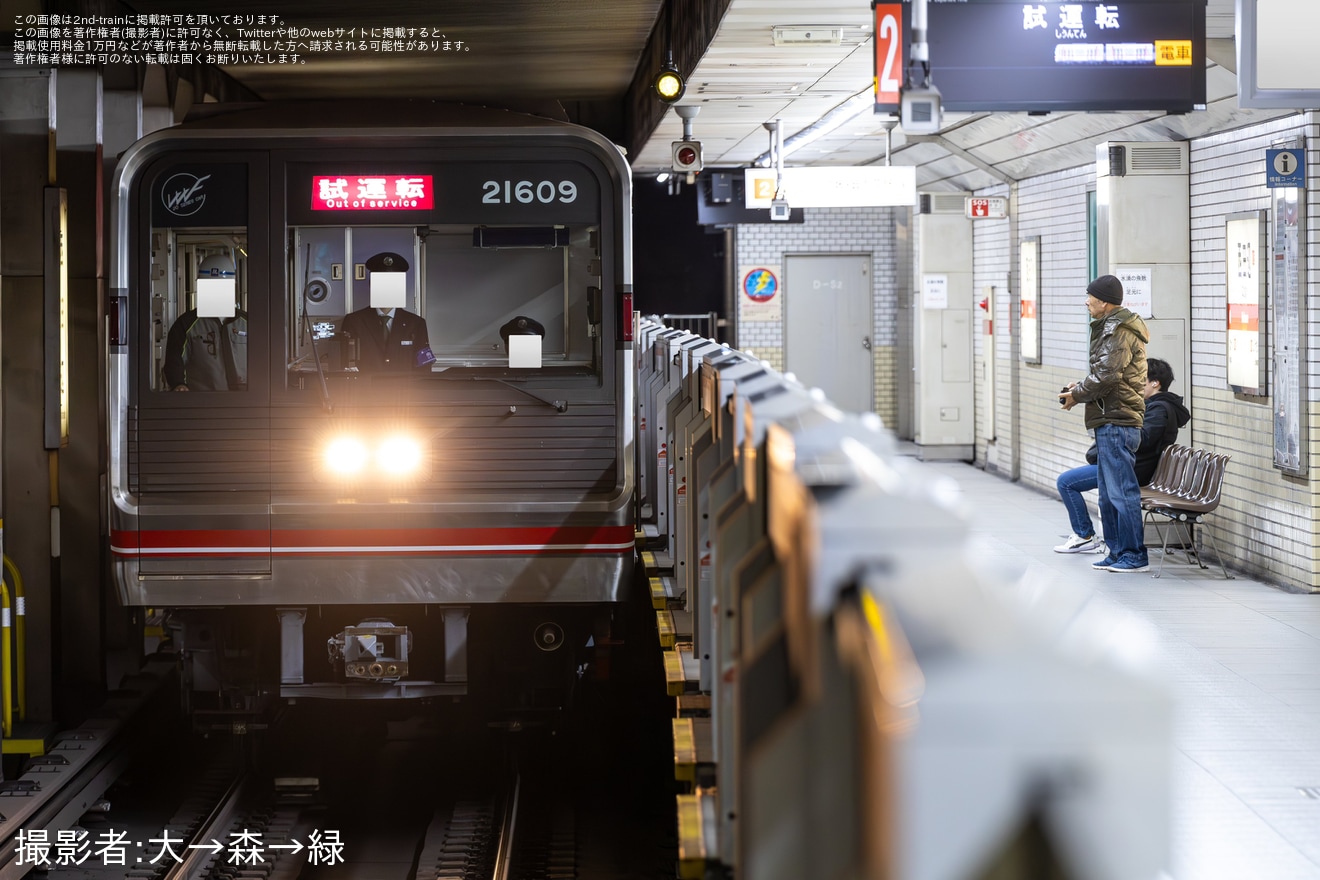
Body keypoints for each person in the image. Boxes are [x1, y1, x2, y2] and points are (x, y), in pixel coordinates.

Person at [1059, 274, 1151, 572]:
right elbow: (1105, 373)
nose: (1086, 301)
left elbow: (1108, 376)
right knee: (1109, 493)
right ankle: (1116, 550)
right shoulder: (1109, 327)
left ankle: (1134, 554)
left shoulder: (1118, 330)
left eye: (1091, 297)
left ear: (1105, 302)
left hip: (1118, 419)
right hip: (1109, 417)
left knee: (1122, 491)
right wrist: (1081, 388)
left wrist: (1076, 394)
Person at [1054, 357, 1190, 554]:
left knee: (1066, 482)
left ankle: (1085, 536)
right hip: (1123, 464)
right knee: (1068, 482)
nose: (1135, 385)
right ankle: (1088, 537)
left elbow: (1141, 440)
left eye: (1139, 380)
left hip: (1132, 468)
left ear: (1155, 383)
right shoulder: (1150, 405)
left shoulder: (1160, 409)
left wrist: (1116, 425)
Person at [338, 251, 434, 372]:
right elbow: (344, 364)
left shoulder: (416, 324)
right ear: (371, 285)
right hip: (365, 390)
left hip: (404, 390)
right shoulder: (354, 321)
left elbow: (424, 368)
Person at [163, 308, 248, 391]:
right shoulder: (186, 323)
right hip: (203, 401)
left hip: (245, 401)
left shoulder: (248, 321)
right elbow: (174, 360)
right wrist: (178, 384)